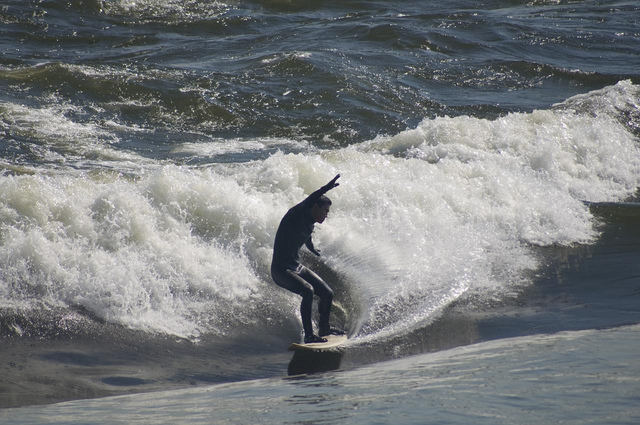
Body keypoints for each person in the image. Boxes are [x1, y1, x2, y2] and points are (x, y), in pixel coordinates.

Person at [271, 174, 345, 343]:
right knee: (308, 290)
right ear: (315, 207)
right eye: (325, 211)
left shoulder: (310, 223)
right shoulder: (296, 213)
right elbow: (309, 200)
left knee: (327, 293)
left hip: (295, 266)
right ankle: (309, 335)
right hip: (281, 270)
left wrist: (312, 248)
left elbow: (306, 237)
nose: (326, 215)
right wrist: (325, 188)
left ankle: (324, 328)